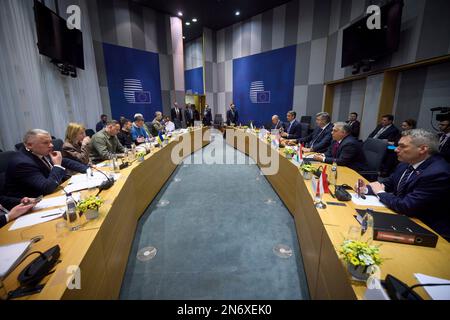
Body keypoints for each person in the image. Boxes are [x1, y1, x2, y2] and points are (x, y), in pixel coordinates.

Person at [360, 129, 450, 238]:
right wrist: (366, 189)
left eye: (402, 146)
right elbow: (390, 182)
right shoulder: (406, 163)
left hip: (427, 229)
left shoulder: (438, 173)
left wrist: (380, 192)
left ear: (422, 149)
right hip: (402, 216)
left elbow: (407, 206)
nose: (396, 150)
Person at [5, 129, 88, 198]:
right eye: (46, 143)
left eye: (50, 141)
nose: (51, 145)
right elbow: (47, 188)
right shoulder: (22, 163)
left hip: (52, 193)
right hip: (33, 204)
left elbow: (65, 161)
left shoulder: (37, 151)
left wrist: (87, 169)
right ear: (29, 145)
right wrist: (57, 166)